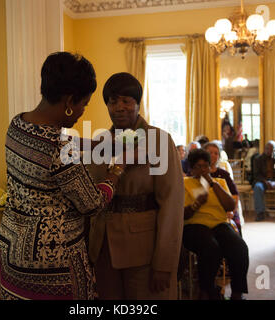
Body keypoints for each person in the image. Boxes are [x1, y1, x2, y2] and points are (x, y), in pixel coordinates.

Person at [0, 52, 130, 300]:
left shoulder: (17, 124)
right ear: (69, 101)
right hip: (52, 263)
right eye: (83, 104)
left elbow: (47, 144)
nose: (82, 112)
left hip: (11, 248)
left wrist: (94, 144)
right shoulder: (62, 151)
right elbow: (92, 203)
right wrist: (117, 170)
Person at [88, 72, 184, 300]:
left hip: (145, 252)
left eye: (126, 101)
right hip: (104, 250)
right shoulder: (100, 142)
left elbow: (172, 204)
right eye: (112, 101)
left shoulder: (158, 140)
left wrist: (164, 262)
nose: (119, 107)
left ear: (138, 104)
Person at [182, 149, 249, 300]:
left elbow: (230, 206)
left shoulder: (219, 183)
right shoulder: (184, 183)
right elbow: (182, 214)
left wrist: (212, 183)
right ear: (191, 168)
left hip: (219, 224)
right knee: (211, 248)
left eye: (205, 166)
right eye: (198, 167)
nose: (202, 170)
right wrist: (196, 204)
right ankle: (207, 290)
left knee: (239, 247)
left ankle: (237, 293)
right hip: (194, 225)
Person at [204, 143, 243, 235]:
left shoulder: (224, 174)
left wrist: (231, 211)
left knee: (236, 225)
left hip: (225, 209)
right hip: (206, 210)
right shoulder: (197, 173)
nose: (213, 155)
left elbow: (234, 194)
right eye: (210, 153)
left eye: (216, 153)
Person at [252, 140, 275, 221]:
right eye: (266, 148)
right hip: (263, 181)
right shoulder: (258, 159)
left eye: (270, 149)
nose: (268, 151)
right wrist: (266, 181)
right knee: (257, 187)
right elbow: (256, 174)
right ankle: (260, 213)